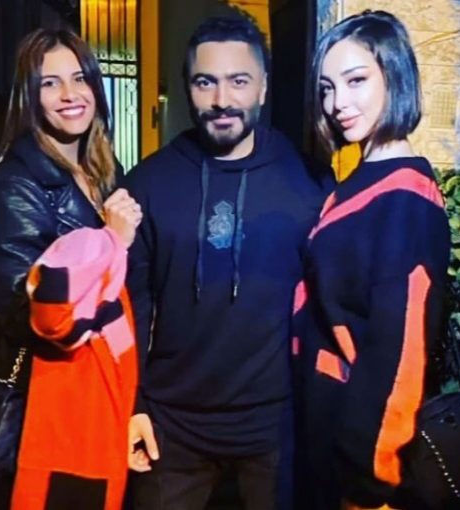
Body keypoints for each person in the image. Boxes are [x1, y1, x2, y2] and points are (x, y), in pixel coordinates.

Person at [124, 14, 331, 510]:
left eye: (239, 81)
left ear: (263, 86)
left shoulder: (309, 183)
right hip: (171, 426)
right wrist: (134, 405)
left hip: (273, 427)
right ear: (188, 88)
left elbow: (330, 307)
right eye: (205, 82)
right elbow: (132, 306)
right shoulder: (148, 183)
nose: (221, 99)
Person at [0, 28, 142, 509]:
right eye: (50, 83)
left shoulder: (103, 172)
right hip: (55, 404)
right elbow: (26, 315)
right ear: (30, 97)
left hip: (103, 389)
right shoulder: (18, 184)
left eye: (79, 78)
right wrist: (110, 241)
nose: (70, 94)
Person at [297, 10, 451, 510]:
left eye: (356, 80)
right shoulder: (353, 183)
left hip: (358, 460)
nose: (337, 103)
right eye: (327, 88)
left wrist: (370, 480)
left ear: (395, 76)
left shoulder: (406, 196)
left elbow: (399, 352)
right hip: (322, 431)